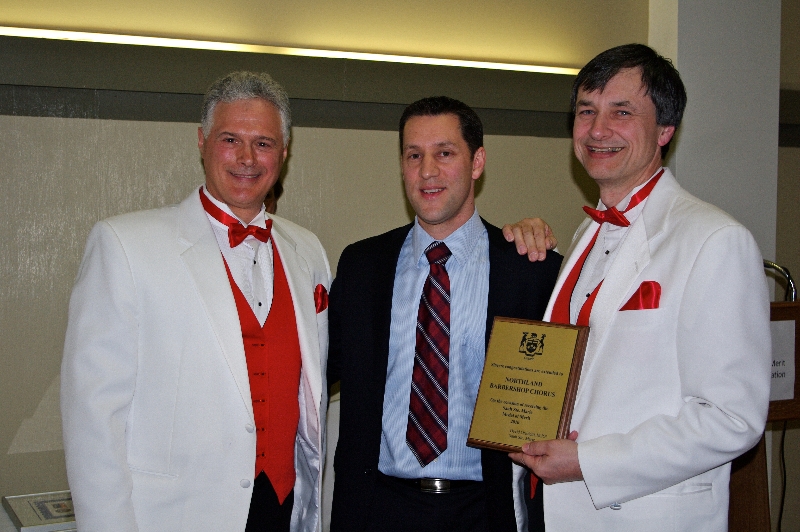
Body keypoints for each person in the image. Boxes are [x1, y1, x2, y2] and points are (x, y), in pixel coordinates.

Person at [506, 44, 771, 531]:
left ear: (666, 129)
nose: (597, 130)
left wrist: (589, 461)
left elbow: (732, 418)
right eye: (586, 112)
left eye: (621, 112)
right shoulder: (588, 234)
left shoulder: (715, 240)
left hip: (645, 515)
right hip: (555, 509)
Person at [61, 71, 331, 532]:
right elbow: (93, 420)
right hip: (176, 515)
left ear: (283, 155)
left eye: (263, 143)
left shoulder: (309, 252)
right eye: (231, 139)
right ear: (203, 142)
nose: (247, 158)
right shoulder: (126, 245)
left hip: (284, 506)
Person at [327, 96, 562, 532]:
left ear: (477, 163)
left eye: (445, 153)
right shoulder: (362, 266)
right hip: (377, 509)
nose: (427, 171)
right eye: (414, 155)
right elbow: (313, 370)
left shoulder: (532, 271)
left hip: (487, 510)